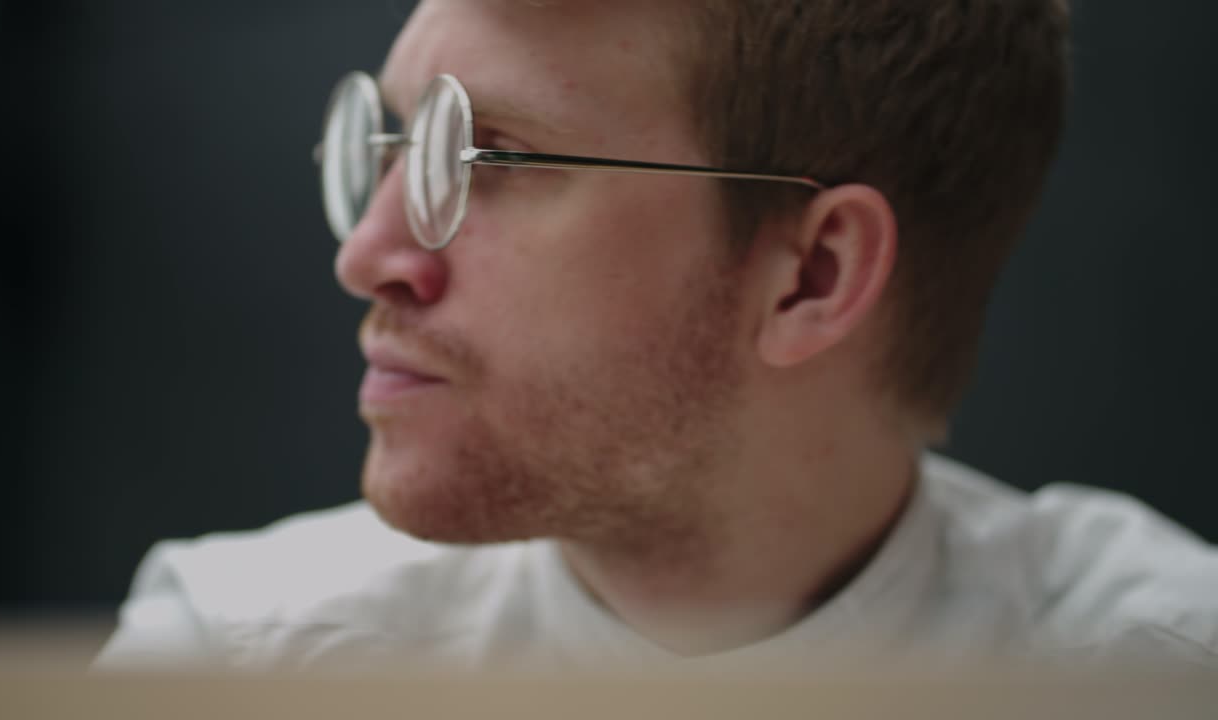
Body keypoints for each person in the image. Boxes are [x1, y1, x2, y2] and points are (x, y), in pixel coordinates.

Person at [98, 0, 1218, 671]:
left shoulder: (1155, 668)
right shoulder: (243, 653)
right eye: (393, 141)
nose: (369, 254)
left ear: (811, 277)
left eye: (493, 158)